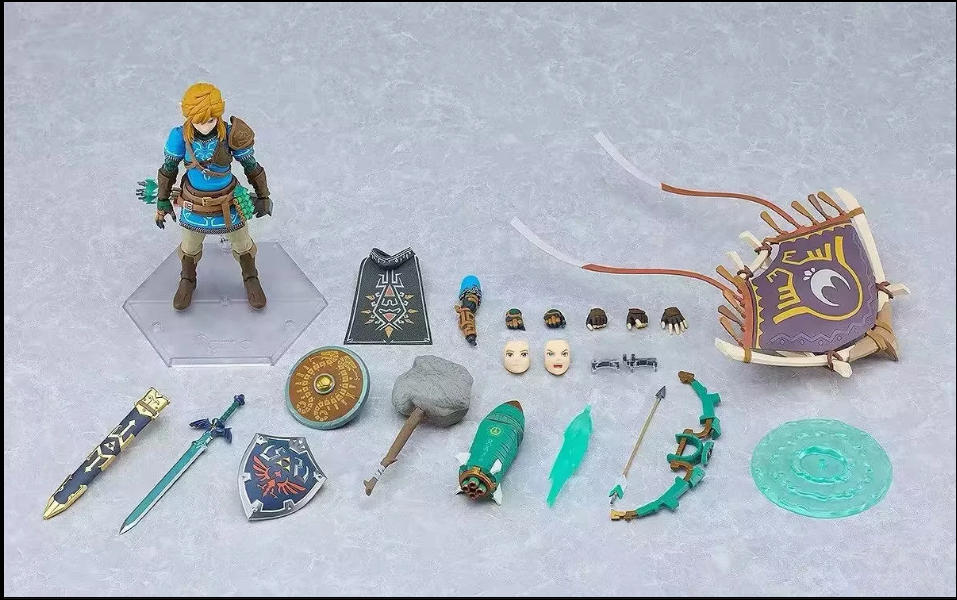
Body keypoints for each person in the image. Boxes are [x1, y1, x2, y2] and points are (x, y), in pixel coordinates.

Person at [154, 82, 272, 310]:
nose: (205, 126)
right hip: (194, 203)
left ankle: (250, 277)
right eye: (199, 121)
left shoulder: (230, 133)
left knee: (242, 243)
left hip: (229, 201)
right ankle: (187, 279)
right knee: (189, 247)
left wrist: (263, 195)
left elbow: (251, 165)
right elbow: (168, 169)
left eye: (210, 120)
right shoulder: (179, 136)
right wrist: (162, 200)